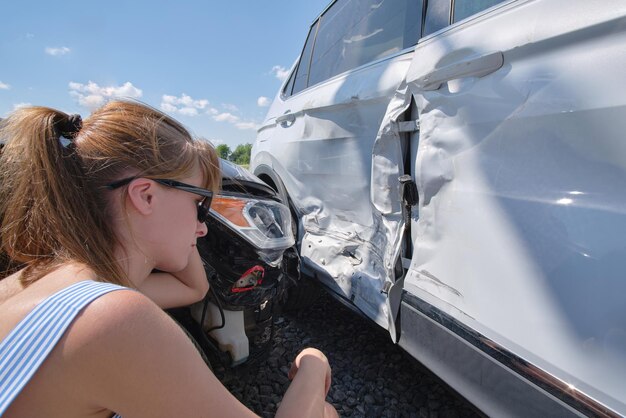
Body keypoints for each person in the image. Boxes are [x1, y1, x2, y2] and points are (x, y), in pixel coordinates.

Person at [0, 100, 338, 417]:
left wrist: (177, 226)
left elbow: (192, 287)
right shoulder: (110, 318)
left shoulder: (48, 278)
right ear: (145, 196)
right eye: (200, 203)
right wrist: (314, 364)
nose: (203, 227)